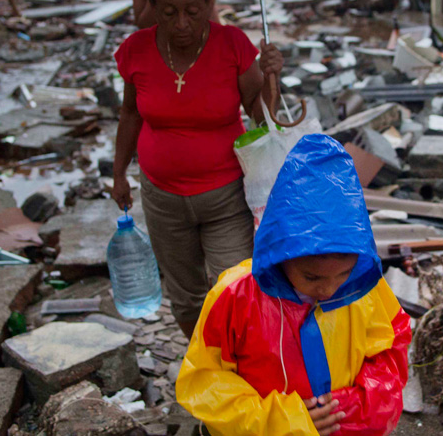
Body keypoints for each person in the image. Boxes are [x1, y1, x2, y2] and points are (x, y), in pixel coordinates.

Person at [176, 134, 412, 436]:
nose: (328, 290)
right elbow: (204, 381)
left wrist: (351, 408)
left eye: (342, 274)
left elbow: (391, 351)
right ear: (279, 255)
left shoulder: (365, 287)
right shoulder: (235, 296)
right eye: (312, 277)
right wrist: (284, 422)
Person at [112, 0, 284, 339]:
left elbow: (260, 117)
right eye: (169, 12)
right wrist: (118, 172)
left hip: (226, 196)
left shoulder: (232, 44)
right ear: (152, 7)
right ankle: (204, 365)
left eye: (193, 10)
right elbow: (129, 114)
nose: (182, 23)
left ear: (210, 2)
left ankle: (240, 365)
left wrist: (273, 79)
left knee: (235, 288)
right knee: (186, 298)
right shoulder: (135, 50)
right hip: (162, 198)